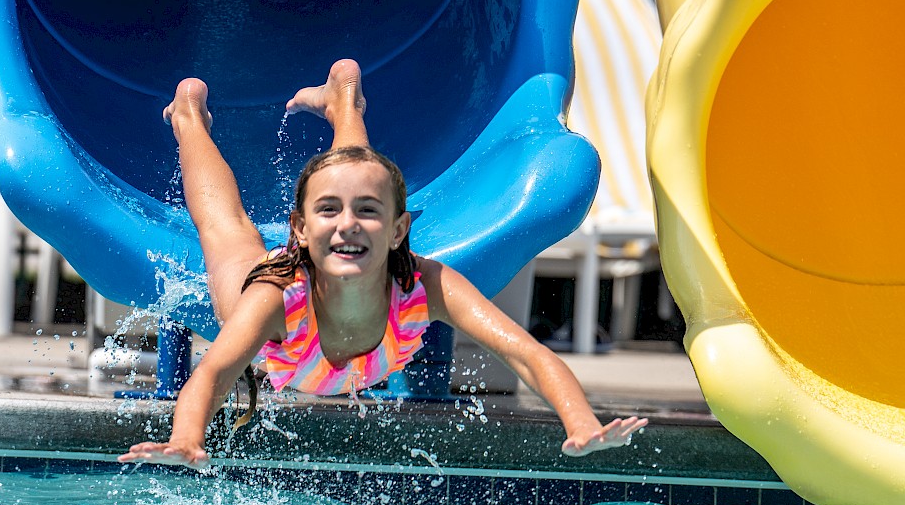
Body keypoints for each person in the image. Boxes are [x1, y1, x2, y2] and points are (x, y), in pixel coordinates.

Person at [120, 59, 647, 470]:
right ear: (298, 229)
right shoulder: (271, 297)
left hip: (334, 303)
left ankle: (343, 99)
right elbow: (212, 374)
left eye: (369, 216)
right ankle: (190, 115)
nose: (348, 224)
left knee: (358, 178)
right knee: (225, 229)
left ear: (400, 231)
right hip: (289, 309)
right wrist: (186, 440)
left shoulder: (426, 284)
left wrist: (581, 425)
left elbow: (526, 353)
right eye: (326, 213)